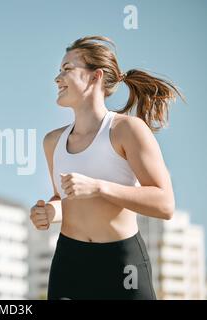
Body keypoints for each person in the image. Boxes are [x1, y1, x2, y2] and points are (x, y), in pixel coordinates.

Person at [30, 36, 183, 300]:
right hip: (69, 263)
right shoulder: (52, 141)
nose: (57, 78)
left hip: (123, 264)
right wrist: (49, 211)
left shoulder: (126, 130)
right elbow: (64, 198)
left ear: (94, 77)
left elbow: (164, 203)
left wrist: (98, 187)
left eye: (67, 69)